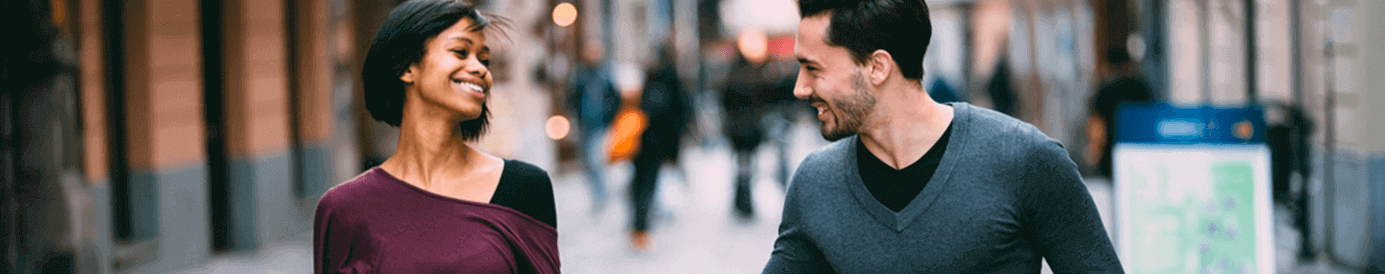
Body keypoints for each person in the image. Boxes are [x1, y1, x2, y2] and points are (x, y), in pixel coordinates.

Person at [763, 0, 1122, 272]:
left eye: (813, 69)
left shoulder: (1025, 160)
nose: (800, 88)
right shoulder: (815, 184)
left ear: (877, 67)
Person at [314, 1, 559, 273]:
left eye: (484, 59)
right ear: (407, 67)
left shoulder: (525, 189)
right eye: (460, 51)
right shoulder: (343, 209)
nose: (481, 69)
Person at [627, 45, 692, 251]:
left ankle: (639, 225)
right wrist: (673, 150)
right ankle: (641, 228)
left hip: (640, 143)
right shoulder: (673, 83)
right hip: (657, 146)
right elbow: (680, 117)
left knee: (640, 185)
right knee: (648, 186)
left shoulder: (647, 81)